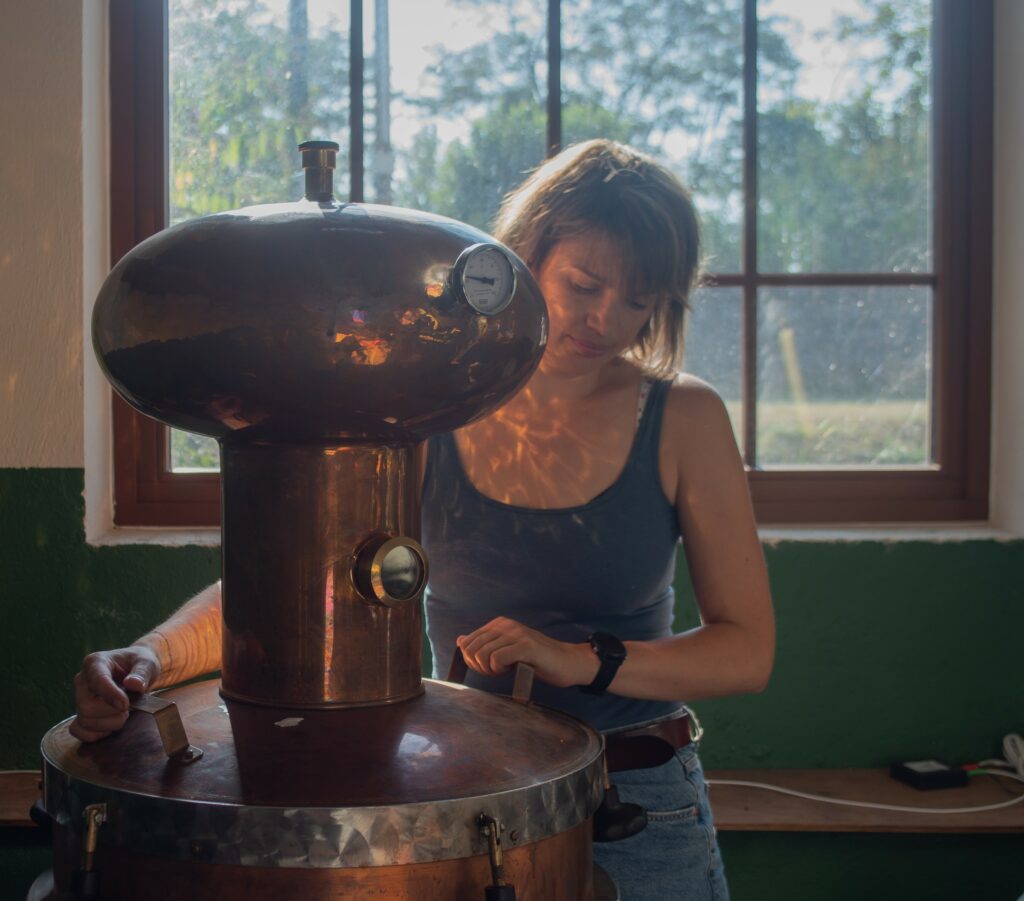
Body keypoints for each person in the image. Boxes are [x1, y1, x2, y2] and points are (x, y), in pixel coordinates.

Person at [72, 139, 774, 900]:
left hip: (637, 792)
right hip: (479, 806)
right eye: (585, 283)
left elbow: (746, 651)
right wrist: (148, 657)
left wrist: (586, 659)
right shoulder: (434, 407)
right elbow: (306, 586)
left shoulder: (685, 414)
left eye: (640, 298)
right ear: (521, 260)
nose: (607, 317)